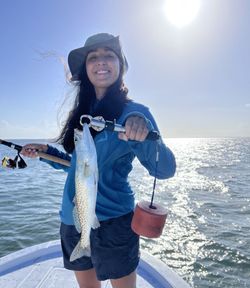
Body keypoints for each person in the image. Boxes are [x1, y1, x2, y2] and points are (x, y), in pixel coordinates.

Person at [21, 33, 176, 288]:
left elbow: (165, 169)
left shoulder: (135, 113)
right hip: (74, 220)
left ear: (120, 66)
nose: (101, 62)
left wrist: (142, 134)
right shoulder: (81, 114)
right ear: (85, 68)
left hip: (114, 222)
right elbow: (78, 166)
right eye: (94, 57)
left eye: (109, 55)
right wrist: (45, 152)